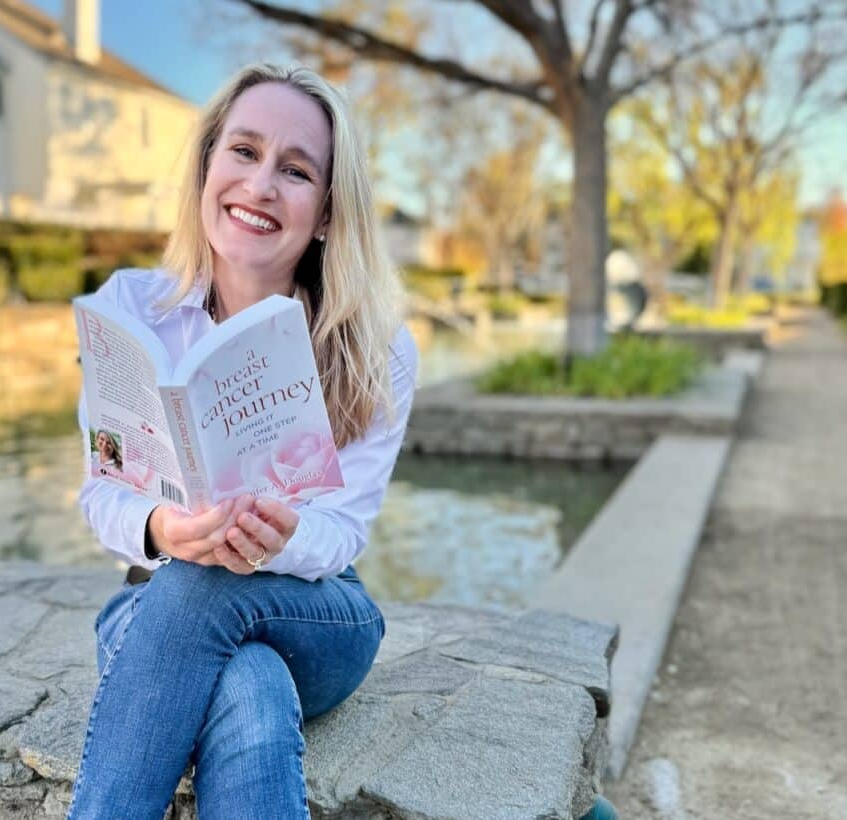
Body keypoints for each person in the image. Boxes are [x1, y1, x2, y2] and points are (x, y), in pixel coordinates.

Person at [67, 62, 618, 820]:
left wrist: (281, 534)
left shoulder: (376, 350)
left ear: (326, 212)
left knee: (208, 588)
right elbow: (103, 489)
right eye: (243, 152)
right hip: (155, 603)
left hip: (318, 614)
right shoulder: (130, 308)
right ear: (206, 169)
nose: (260, 185)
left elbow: (342, 533)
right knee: (248, 687)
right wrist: (163, 528)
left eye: (295, 170)